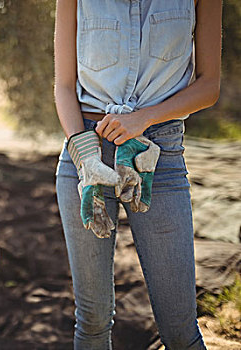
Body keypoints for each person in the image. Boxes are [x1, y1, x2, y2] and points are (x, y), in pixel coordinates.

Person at [53, 0, 222, 349]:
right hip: (86, 152)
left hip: (158, 156)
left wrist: (143, 119)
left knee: (179, 331)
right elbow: (64, 86)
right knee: (93, 321)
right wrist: (84, 156)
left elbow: (209, 86)